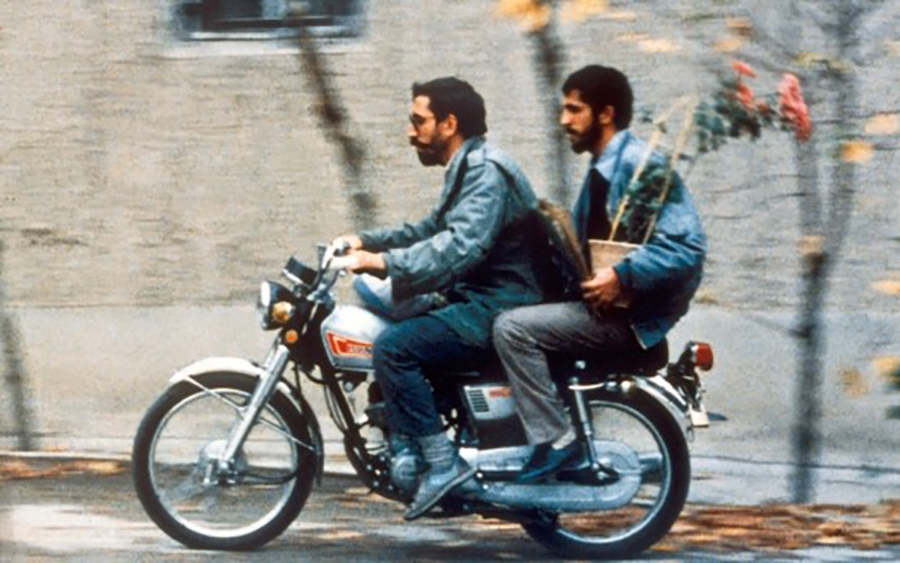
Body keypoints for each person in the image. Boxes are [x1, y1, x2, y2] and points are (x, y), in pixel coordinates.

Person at [335, 77, 543, 519]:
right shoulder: (469, 166)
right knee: (394, 318)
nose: (410, 132)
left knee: (394, 348)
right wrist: (366, 240)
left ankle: (442, 464)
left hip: (500, 304)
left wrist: (382, 263)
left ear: (449, 123)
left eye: (419, 121)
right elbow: (429, 230)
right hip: (480, 296)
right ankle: (410, 438)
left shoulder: (485, 172)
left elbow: (460, 247)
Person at [493, 65, 707, 483]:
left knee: (512, 329)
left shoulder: (640, 165)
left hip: (628, 321)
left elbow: (688, 249)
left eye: (574, 110)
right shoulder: (606, 167)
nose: (563, 120)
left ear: (605, 114)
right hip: (602, 309)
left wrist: (622, 276)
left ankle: (556, 442)